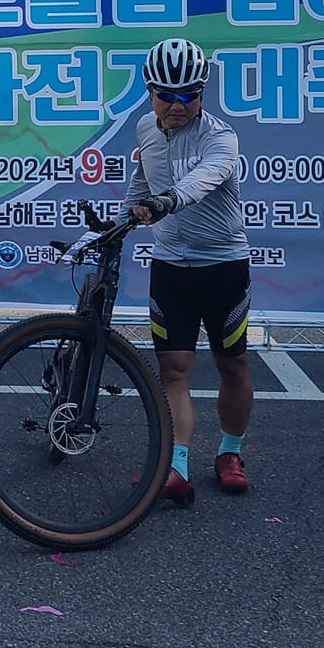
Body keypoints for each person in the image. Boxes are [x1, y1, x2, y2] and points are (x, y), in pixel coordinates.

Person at [125, 39, 254, 503]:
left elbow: (203, 180)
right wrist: (115, 223)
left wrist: (168, 201)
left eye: (188, 95)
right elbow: (141, 182)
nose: (177, 105)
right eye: (166, 95)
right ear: (149, 91)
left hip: (223, 264)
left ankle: (229, 453)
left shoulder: (221, 137)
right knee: (173, 369)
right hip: (170, 266)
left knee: (231, 364)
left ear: (202, 92)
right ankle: (175, 466)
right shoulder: (146, 127)